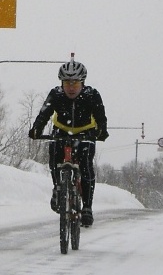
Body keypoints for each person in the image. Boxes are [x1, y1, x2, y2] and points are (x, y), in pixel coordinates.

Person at [28, 55, 108, 226]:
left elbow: (101, 116)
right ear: (61, 83)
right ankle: (58, 188)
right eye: (67, 84)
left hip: (85, 133)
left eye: (75, 84)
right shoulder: (55, 94)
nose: (71, 88)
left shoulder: (92, 95)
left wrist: (101, 131)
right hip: (62, 131)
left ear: (83, 83)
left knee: (86, 166)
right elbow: (44, 114)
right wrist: (36, 129)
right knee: (55, 157)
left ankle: (87, 207)